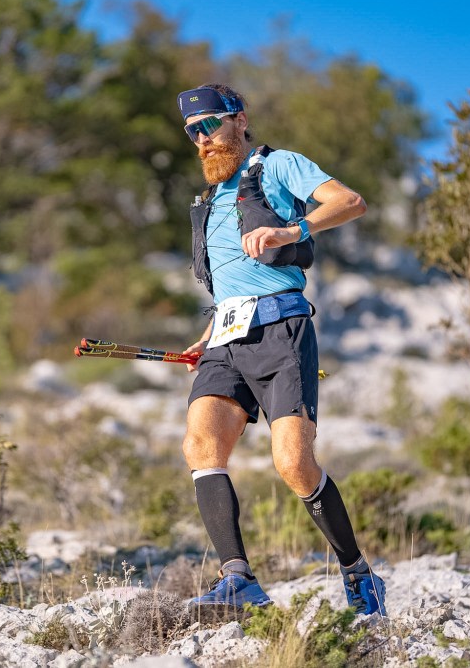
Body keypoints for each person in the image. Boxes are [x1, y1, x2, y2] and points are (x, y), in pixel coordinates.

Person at [176, 83, 386, 616]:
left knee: (294, 464)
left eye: (210, 125)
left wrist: (293, 229)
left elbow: (350, 202)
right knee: (201, 445)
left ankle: (357, 573)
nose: (202, 139)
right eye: (192, 132)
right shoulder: (210, 199)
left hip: (281, 333)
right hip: (226, 340)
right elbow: (231, 284)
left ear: (239, 119)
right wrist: (210, 333)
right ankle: (238, 579)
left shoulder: (278, 166)